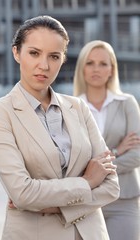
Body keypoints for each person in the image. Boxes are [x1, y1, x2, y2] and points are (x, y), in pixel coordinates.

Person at [0, 17, 119, 240]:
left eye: (54, 56)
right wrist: (87, 182)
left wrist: (54, 207)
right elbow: (23, 193)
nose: (44, 65)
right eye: (34, 53)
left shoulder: (79, 107)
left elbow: (112, 187)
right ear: (17, 53)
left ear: (62, 59)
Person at [73, 40, 140, 240]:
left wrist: (95, 169)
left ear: (112, 69)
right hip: (85, 201)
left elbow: (137, 155)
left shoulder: (127, 103)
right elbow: (71, 161)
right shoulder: (71, 108)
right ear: (81, 69)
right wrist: (118, 150)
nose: (96, 69)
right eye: (90, 63)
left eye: (103, 63)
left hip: (124, 198)